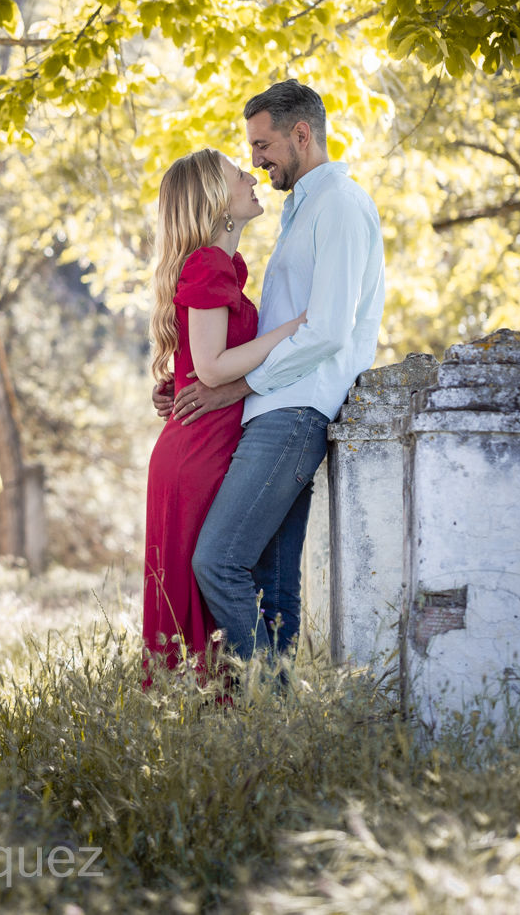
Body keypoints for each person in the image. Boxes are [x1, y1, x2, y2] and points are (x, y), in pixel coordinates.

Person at [154, 80, 385, 669]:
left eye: (262, 145)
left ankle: (272, 705)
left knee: (217, 561)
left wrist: (234, 387)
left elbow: (329, 329)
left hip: (293, 411)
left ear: (301, 135)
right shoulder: (299, 213)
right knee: (273, 587)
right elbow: (240, 334)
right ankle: (277, 723)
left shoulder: (337, 204)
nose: (255, 160)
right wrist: (188, 381)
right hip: (271, 411)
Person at [141, 149, 307, 682]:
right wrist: (296, 330)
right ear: (215, 200)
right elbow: (212, 368)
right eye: (240, 173)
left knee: (213, 593)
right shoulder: (209, 264)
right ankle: (236, 720)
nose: (252, 175)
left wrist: (180, 380)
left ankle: (229, 725)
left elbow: (200, 363)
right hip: (199, 453)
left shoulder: (222, 267)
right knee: (214, 586)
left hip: (200, 444)